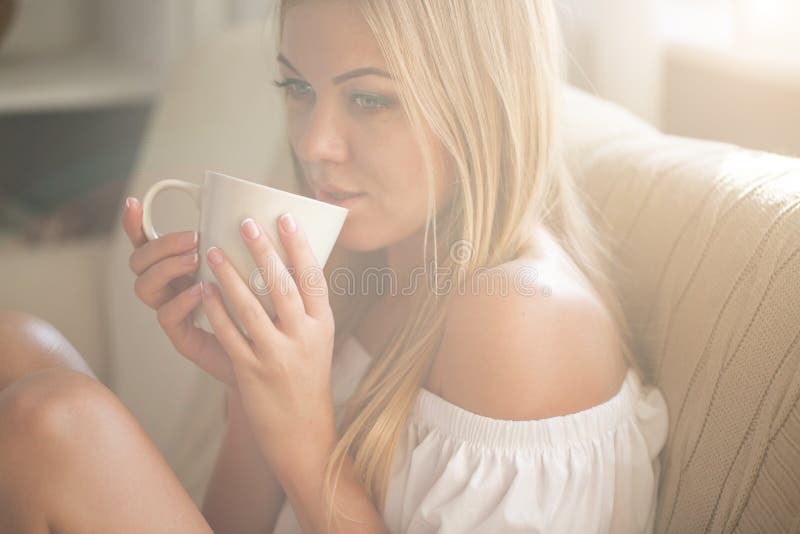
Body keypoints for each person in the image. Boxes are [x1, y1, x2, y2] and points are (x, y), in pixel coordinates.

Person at [0, 0, 668, 532]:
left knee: (58, 423)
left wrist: (304, 436)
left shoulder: (520, 318)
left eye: (369, 99)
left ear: (482, 98)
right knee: (16, 344)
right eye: (297, 87)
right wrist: (252, 388)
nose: (314, 144)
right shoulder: (353, 261)